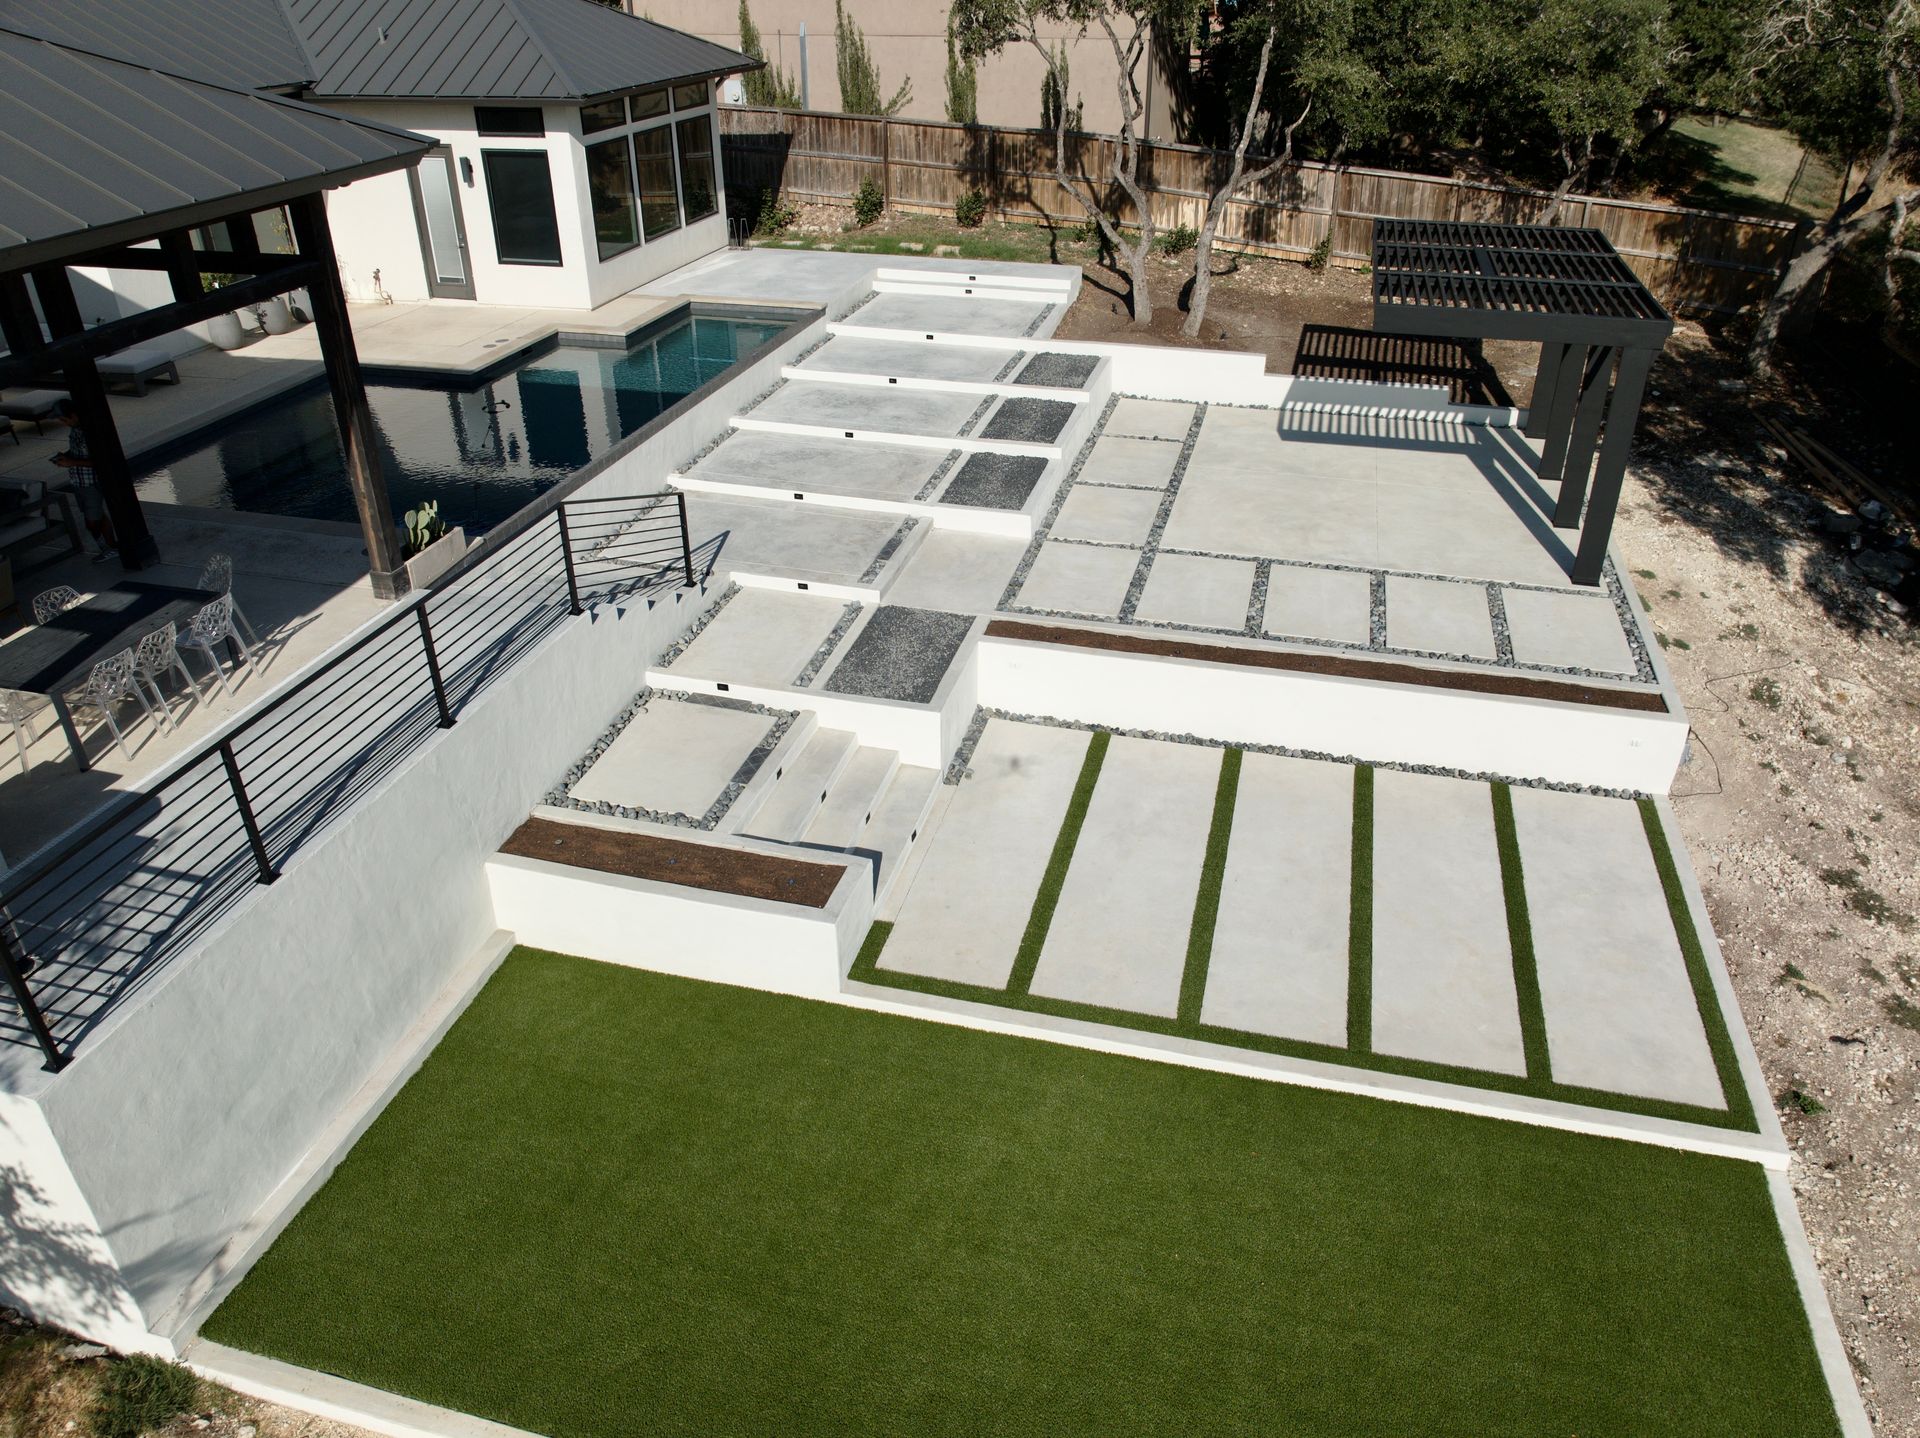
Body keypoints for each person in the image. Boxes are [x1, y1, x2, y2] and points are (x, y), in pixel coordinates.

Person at [50, 398, 115, 560]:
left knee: (91, 521)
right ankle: (110, 546)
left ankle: (107, 547)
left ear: (73, 415)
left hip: (90, 483)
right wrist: (66, 456)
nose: (63, 423)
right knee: (98, 516)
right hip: (79, 482)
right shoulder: (75, 430)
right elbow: (79, 452)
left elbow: (101, 461)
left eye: (64, 419)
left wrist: (71, 462)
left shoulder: (90, 433)